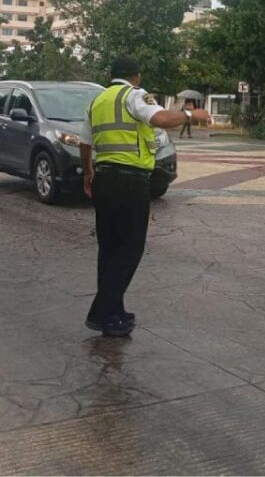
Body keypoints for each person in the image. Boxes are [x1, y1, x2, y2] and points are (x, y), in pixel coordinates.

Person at [79, 57, 209, 337]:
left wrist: (88, 173)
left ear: (112, 74)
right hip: (130, 181)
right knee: (130, 249)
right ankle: (102, 312)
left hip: (104, 180)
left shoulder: (97, 101)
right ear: (136, 76)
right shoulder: (134, 95)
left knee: (109, 249)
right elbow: (161, 119)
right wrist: (190, 115)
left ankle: (114, 312)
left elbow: (84, 142)